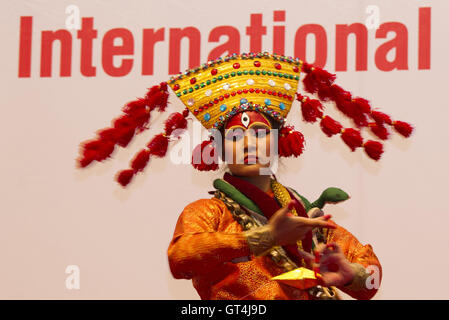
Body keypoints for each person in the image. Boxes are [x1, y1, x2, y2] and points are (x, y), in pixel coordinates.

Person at [76, 52, 413, 300]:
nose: (249, 142)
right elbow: (181, 258)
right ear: (218, 149)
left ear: (282, 142)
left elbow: (372, 280)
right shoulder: (208, 213)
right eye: (235, 137)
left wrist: (348, 272)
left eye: (260, 133)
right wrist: (263, 238)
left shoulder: (306, 217)